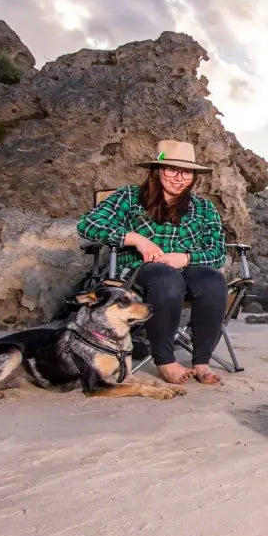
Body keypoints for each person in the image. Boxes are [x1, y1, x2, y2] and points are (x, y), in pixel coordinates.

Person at [77, 139, 228, 385]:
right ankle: (165, 360)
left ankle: (201, 360)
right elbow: (88, 225)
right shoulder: (128, 197)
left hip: (185, 268)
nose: (179, 178)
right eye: (171, 169)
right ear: (157, 170)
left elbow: (218, 251)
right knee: (166, 279)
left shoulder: (203, 208)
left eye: (187, 172)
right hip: (139, 271)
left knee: (213, 280)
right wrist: (135, 239)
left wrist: (186, 257)